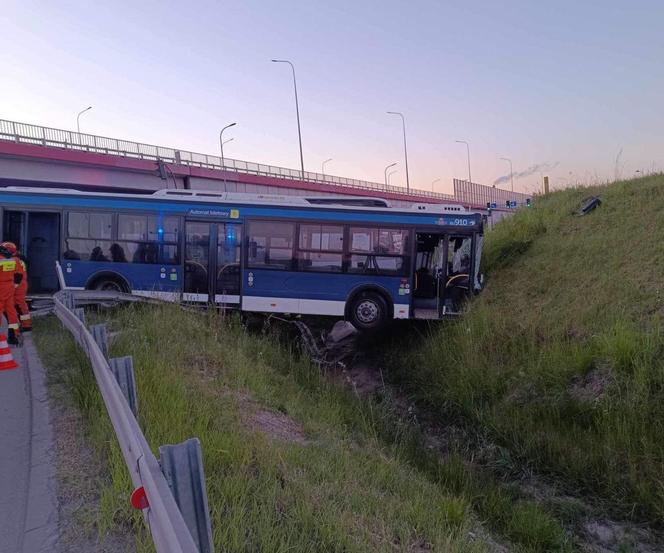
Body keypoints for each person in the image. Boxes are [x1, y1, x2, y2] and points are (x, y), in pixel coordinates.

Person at [2, 242, 31, 332]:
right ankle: (23, 325)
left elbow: (17, 275)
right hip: (20, 284)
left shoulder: (12, 259)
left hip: (18, 285)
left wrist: (14, 285)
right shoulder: (19, 258)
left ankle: (25, 325)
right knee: (18, 305)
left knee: (18, 305)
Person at [0, 242, 22, 345]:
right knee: (11, 313)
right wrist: (15, 285)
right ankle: (13, 337)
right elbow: (19, 275)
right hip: (10, 287)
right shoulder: (15, 260)